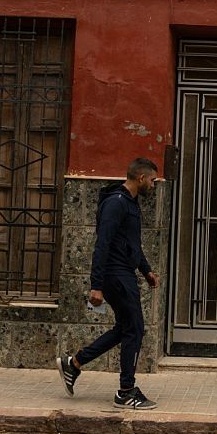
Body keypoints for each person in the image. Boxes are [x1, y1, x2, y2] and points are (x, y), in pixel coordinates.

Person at [57, 158, 161, 410]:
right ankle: (126, 391)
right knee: (134, 329)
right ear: (141, 178)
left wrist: (146, 270)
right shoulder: (116, 203)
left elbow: (132, 244)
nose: (153, 185)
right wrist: (96, 285)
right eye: (152, 180)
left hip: (124, 272)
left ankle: (74, 363)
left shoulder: (130, 203)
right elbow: (102, 244)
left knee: (125, 328)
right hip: (116, 275)